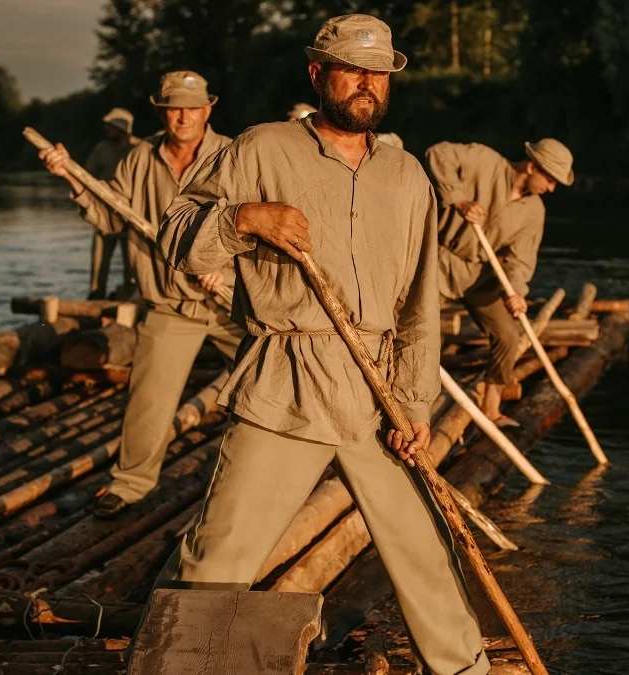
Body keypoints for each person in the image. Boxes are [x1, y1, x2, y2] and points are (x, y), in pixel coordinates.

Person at [153, 15, 488, 675]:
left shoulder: (408, 176)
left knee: (426, 549)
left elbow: (421, 305)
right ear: (317, 74)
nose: (366, 85)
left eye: (378, 74)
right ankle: (175, 664)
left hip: (378, 392)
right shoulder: (261, 148)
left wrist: (417, 405)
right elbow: (174, 230)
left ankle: (465, 669)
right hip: (288, 379)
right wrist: (243, 218)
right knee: (216, 557)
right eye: (351, 69)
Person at [40, 71, 243, 518]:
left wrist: (225, 268)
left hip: (233, 303)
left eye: (192, 106)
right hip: (170, 304)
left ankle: (280, 476)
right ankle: (130, 485)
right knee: (148, 402)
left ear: (209, 109)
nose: (183, 115)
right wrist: (71, 177)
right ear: (160, 112)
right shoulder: (137, 160)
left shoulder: (234, 155)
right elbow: (110, 218)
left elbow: (256, 222)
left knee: (268, 384)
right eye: (173, 107)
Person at [425, 137, 574, 423]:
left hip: (480, 275)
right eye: (550, 180)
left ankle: (491, 410)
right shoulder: (484, 160)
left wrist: (516, 291)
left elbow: (521, 260)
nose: (552, 189)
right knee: (421, 330)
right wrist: (457, 199)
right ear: (532, 167)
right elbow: (438, 153)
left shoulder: (534, 211)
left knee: (507, 336)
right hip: (438, 261)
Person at [84, 107, 142, 300]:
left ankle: (129, 296)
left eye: (110, 126)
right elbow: (87, 176)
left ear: (121, 128)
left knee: (132, 263)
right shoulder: (102, 149)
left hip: (132, 216)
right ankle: (95, 297)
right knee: (99, 262)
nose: (107, 129)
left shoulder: (140, 149)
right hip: (104, 214)